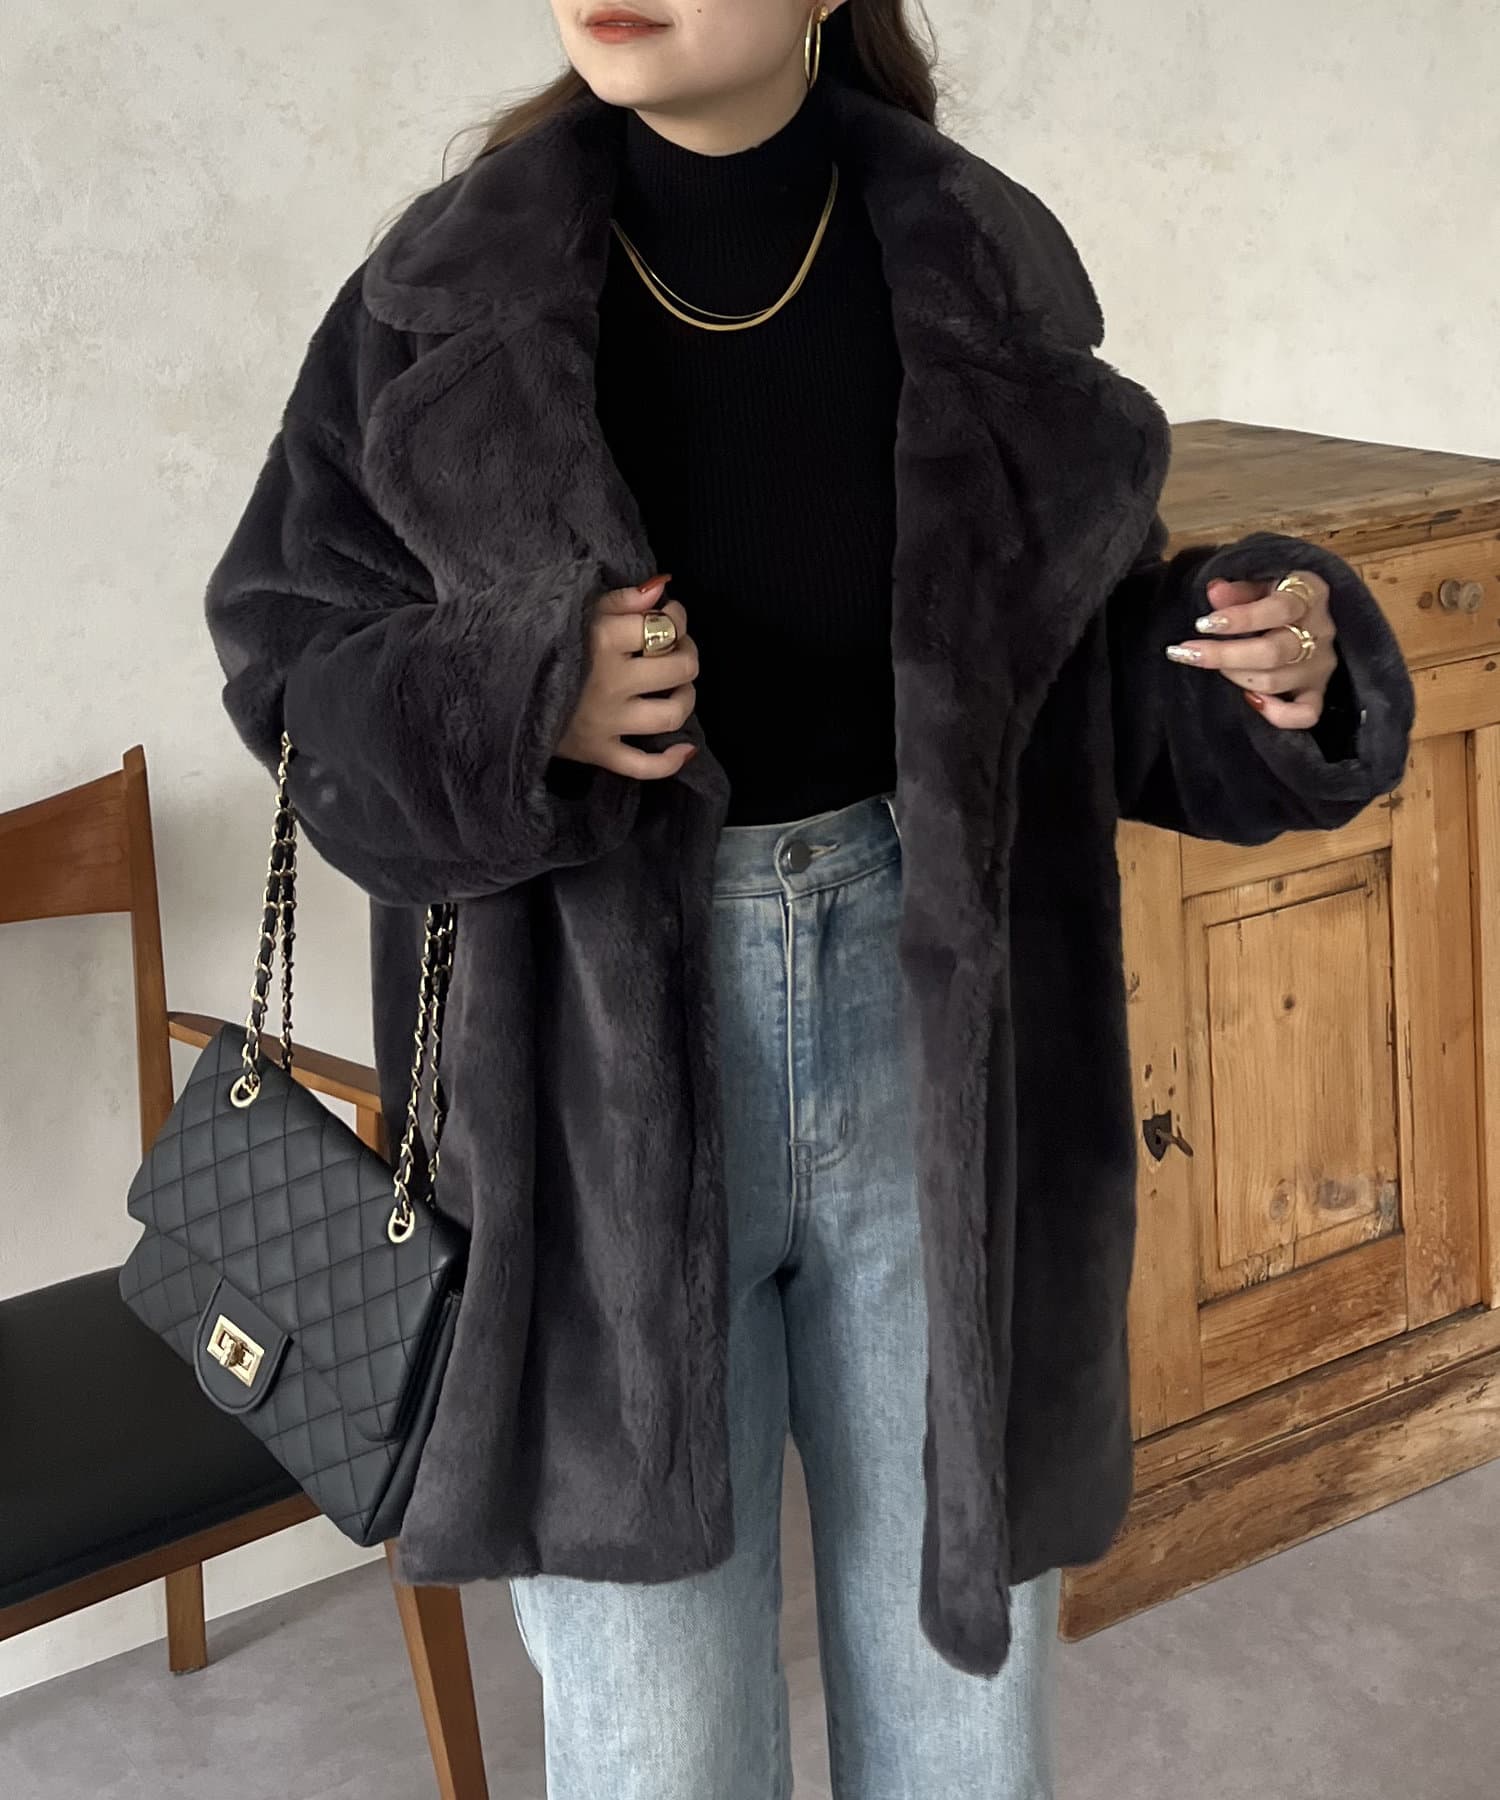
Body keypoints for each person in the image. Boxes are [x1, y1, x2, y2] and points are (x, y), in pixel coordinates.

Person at [202, 2, 1416, 1794]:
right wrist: (524, 696)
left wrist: (1268, 670)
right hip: (587, 1085)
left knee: (960, 1719)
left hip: (939, 1027)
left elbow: (1072, 678)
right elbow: (294, 672)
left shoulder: (974, 274)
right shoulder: (437, 304)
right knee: (656, 1737)